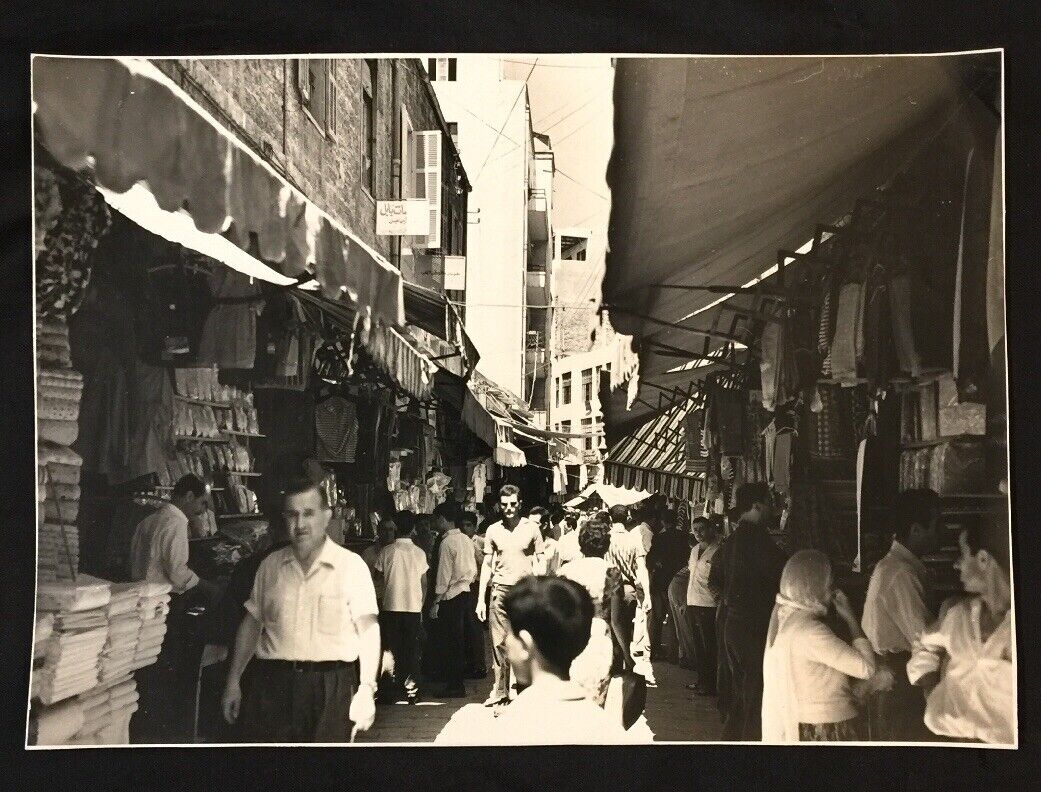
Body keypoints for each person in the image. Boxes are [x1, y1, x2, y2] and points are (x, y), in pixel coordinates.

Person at [220, 478, 380, 742]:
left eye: (309, 514)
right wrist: (233, 681)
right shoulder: (270, 566)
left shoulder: (351, 567)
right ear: (284, 519)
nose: (300, 524)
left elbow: (368, 630)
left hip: (332, 687)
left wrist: (366, 689)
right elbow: (252, 624)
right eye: (292, 515)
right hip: (274, 685)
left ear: (326, 516)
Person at [439, 576, 631, 744]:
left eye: (510, 632)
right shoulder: (613, 733)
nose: (505, 642)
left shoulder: (476, 733)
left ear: (525, 644)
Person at [907, 509, 1014, 744]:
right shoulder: (958, 614)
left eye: (962, 554)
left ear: (983, 559)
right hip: (948, 740)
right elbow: (924, 644)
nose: (957, 564)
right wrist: (932, 690)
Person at [761, 550, 877, 742]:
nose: (832, 591)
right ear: (814, 585)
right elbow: (866, 668)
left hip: (806, 722)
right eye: (829, 584)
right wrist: (850, 618)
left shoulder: (784, 616)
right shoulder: (810, 631)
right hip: (825, 725)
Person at [709, 482, 788, 741]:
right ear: (757, 505)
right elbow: (783, 577)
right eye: (769, 502)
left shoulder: (731, 541)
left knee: (741, 694)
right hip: (753, 628)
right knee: (754, 697)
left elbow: (714, 582)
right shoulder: (758, 540)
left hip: (733, 625)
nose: (772, 509)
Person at [861, 489, 940, 741]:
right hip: (899, 681)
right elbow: (923, 638)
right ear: (916, 530)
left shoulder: (893, 566)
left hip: (891, 675)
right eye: (937, 524)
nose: (943, 532)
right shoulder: (901, 574)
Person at [475, 484, 545, 706]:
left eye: (513, 504)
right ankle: (501, 692)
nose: (509, 509)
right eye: (505, 505)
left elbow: (541, 561)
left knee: (525, 642)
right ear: (499, 505)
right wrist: (480, 600)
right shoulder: (493, 530)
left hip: (525, 593)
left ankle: (525, 692)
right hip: (500, 591)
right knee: (499, 645)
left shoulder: (532, 529)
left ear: (520, 503)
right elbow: (487, 564)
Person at [558, 515, 622, 706]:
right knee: (595, 703)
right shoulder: (611, 572)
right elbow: (616, 621)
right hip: (598, 640)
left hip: (569, 640)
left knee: (570, 702)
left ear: (581, 544)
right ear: (606, 545)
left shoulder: (565, 571)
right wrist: (627, 654)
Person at [130, 474, 219, 609]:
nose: (202, 511)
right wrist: (205, 586)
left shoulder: (148, 520)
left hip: (140, 594)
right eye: (202, 503)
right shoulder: (176, 523)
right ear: (189, 496)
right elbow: (177, 572)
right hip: (163, 599)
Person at [373, 510, 429, 703]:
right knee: (411, 649)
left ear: (396, 527)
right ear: (413, 528)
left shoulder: (386, 552)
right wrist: (421, 605)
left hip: (390, 606)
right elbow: (424, 583)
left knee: (390, 650)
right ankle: (412, 690)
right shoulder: (419, 553)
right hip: (413, 608)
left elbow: (378, 579)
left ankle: (387, 691)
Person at [428, 501, 479, 697]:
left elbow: (443, 576)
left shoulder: (447, 542)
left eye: (437, 519)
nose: (436, 523)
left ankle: (455, 685)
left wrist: (436, 601)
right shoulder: (466, 539)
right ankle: (455, 682)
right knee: (459, 639)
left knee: (451, 641)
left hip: (450, 595)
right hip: (464, 591)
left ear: (443, 519)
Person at [646, 510, 689, 663]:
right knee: (673, 619)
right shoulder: (683, 537)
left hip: (659, 583)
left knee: (657, 619)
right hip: (676, 581)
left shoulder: (659, 538)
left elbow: (650, 559)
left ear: (663, 522)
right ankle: (673, 654)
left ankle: (654, 652)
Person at [686, 516, 722, 695]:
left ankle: (710, 684)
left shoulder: (718, 551)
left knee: (710, 647)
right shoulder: (693, 551)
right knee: (698, 646)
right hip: (693, 602)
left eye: (701, 529)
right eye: (695, 529)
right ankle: (701, 681)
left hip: (709, 605)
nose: (698, 533)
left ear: (709, 529)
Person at [460, 511, 487, 680]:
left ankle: (479, 665)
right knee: (465, 627)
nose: (465, 528)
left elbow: (484, 564)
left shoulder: (478, 542)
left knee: (475, 626)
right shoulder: (460, 541)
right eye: (462, 525)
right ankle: (469, 664)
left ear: (474, 527)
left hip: (475, 585)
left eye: (468, 525)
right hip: (464, 587)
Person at [361, 517, 397, 607]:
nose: (388, 533)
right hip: (375, 598)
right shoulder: (368, 553)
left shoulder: (399, 552)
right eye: (385, 530)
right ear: (379, 532)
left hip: (394, 598)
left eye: (391, 530)